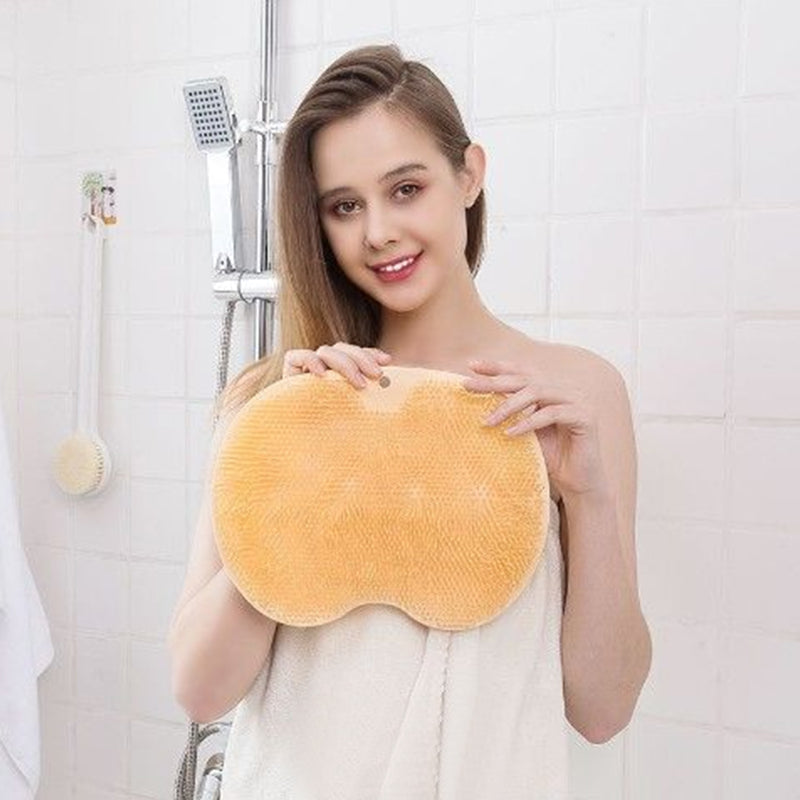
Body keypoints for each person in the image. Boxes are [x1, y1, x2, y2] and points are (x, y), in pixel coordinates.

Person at [168, 43, 652, 799]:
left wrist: (586, 499)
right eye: (344, 206)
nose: (378, 232)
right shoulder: (276, 401)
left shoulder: (574, 396)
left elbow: (603, 710)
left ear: (469, 175)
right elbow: (200, 693)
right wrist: (294, 473)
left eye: (406, 188)